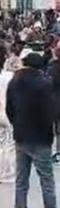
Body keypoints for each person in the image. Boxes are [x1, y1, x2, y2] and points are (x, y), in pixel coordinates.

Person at [8, 50, 60, 208]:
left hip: (21, 136)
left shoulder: (14, 83)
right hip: (40, 137)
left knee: (21, 180)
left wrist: (18, 125)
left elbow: (9, 109)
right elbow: (50, 111)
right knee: (46, 179)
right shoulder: (44, 84)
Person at [0, 56, 20, 184]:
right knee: (10, 145)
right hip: (9, 113)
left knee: (1, 143)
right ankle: (9, 173)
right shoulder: (13, 78)